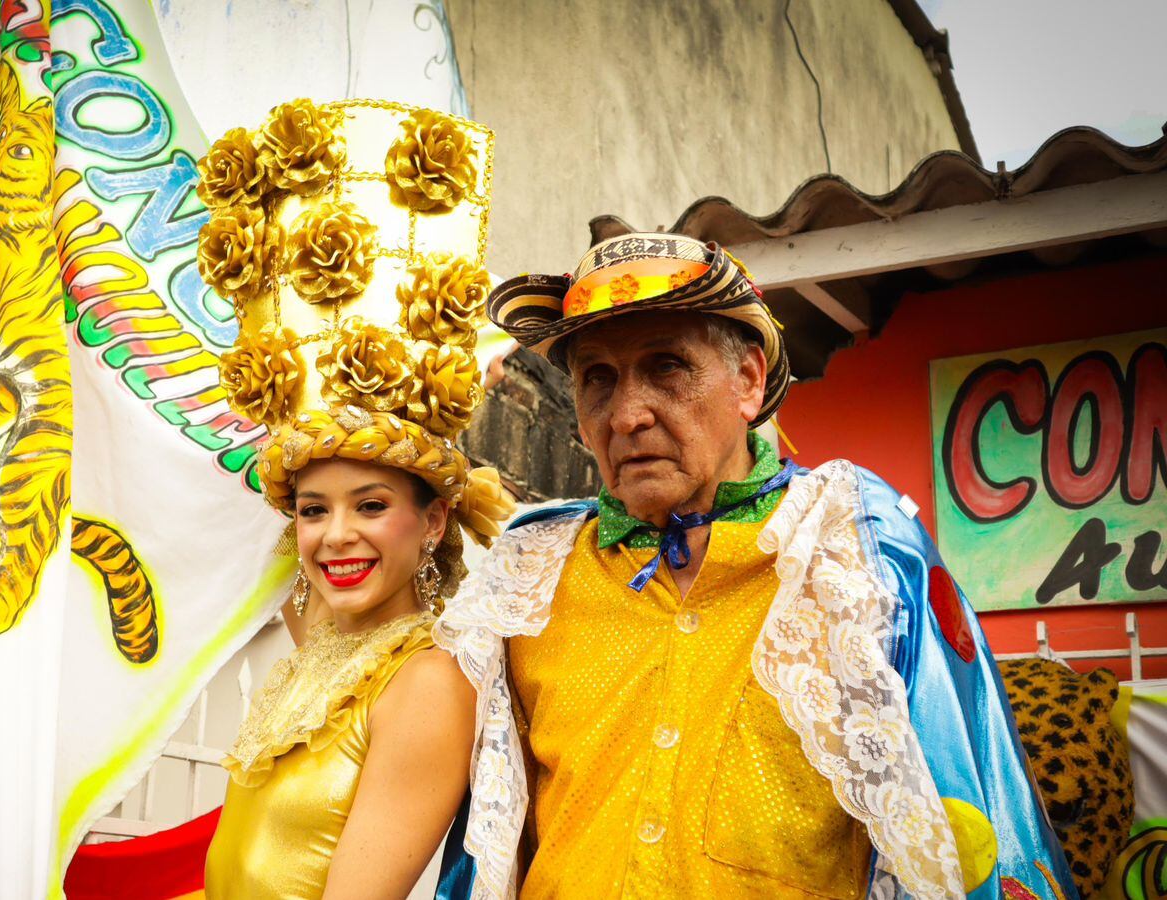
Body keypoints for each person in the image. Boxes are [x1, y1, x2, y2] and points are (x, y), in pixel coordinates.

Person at [433, 219, 1079, 900]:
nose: (626, 415)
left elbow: (960, 825)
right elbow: (486, 840)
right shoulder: (529, 574)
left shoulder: (850, 546)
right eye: (599, 378)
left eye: (666, 367)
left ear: (747, 379)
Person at [193, 97, 515, 899]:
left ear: (434, 517)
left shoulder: (429, 681)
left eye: (371, 505)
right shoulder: (327, 646)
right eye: (312, 509)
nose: (336, 537)